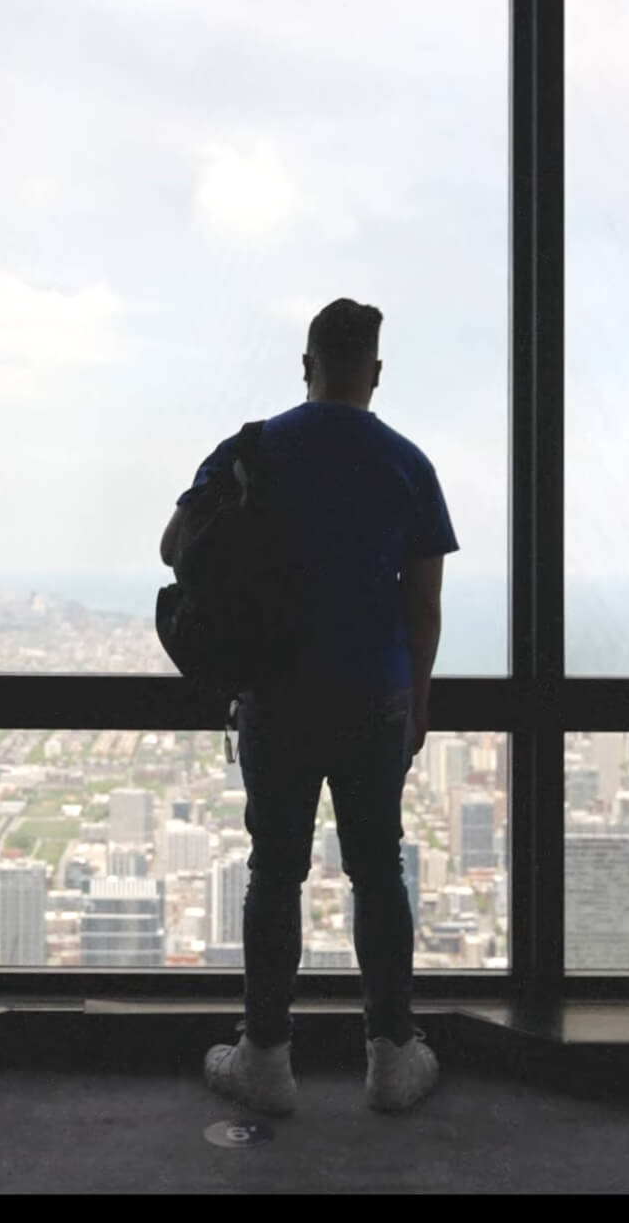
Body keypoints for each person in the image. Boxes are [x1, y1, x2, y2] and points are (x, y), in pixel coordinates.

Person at [159, 298, 456, 1116]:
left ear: (306, 364)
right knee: (377, 869)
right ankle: (393, 1057)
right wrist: (418, 702)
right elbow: (424, 606)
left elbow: (173, 548)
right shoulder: (407, 463)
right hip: (376, 695)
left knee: (274, 871)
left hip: (275, 691)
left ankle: (266, 1060)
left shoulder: (254, 447)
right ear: (376, 372)